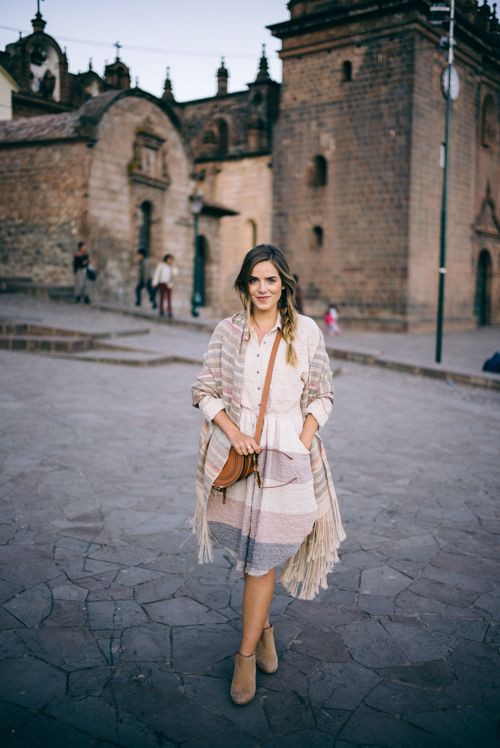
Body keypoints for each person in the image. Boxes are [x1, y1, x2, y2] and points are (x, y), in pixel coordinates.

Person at [191, 244, 345, 706]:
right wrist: (233, 431)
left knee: (262, 560)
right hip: (239, 456)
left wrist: (302, 437)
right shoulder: (227, 331)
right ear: (244, 284)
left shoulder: (307, 333)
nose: (263, 288)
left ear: (284, 285)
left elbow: (323, 394)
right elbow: (204, 388)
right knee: (249, 556)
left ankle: (243, 657)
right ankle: (265, 632)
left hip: (288, 459)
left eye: (271, 280)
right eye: (255, 280)